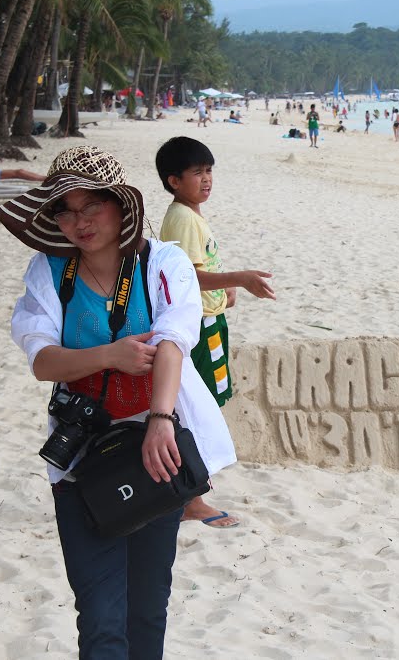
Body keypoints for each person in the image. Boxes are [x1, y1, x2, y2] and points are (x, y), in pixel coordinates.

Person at [0, 145, 236, 657]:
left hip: (157, 450)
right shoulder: (50, 272)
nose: (79, 221)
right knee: (100, 615)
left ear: (119, 206)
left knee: (147, 607)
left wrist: (160, 419)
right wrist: (112, 355)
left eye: (92, 206)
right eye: (66, 209)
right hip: (83, 455)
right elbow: (43, 361)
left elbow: (174, 340)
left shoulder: (163, 263)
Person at [156, 137, 276, 527]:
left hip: (210, 321)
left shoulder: (191, 215)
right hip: (199, 328)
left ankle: (190, 491)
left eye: (209, 171)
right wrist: (237, 279)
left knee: (204, 403)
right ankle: (191, 498)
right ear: (174, 180)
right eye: (197, 173)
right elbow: (188, 274)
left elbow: (197, 271)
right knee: (196, 409)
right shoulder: (182, 218)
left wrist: (224, 292)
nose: (206, 180)